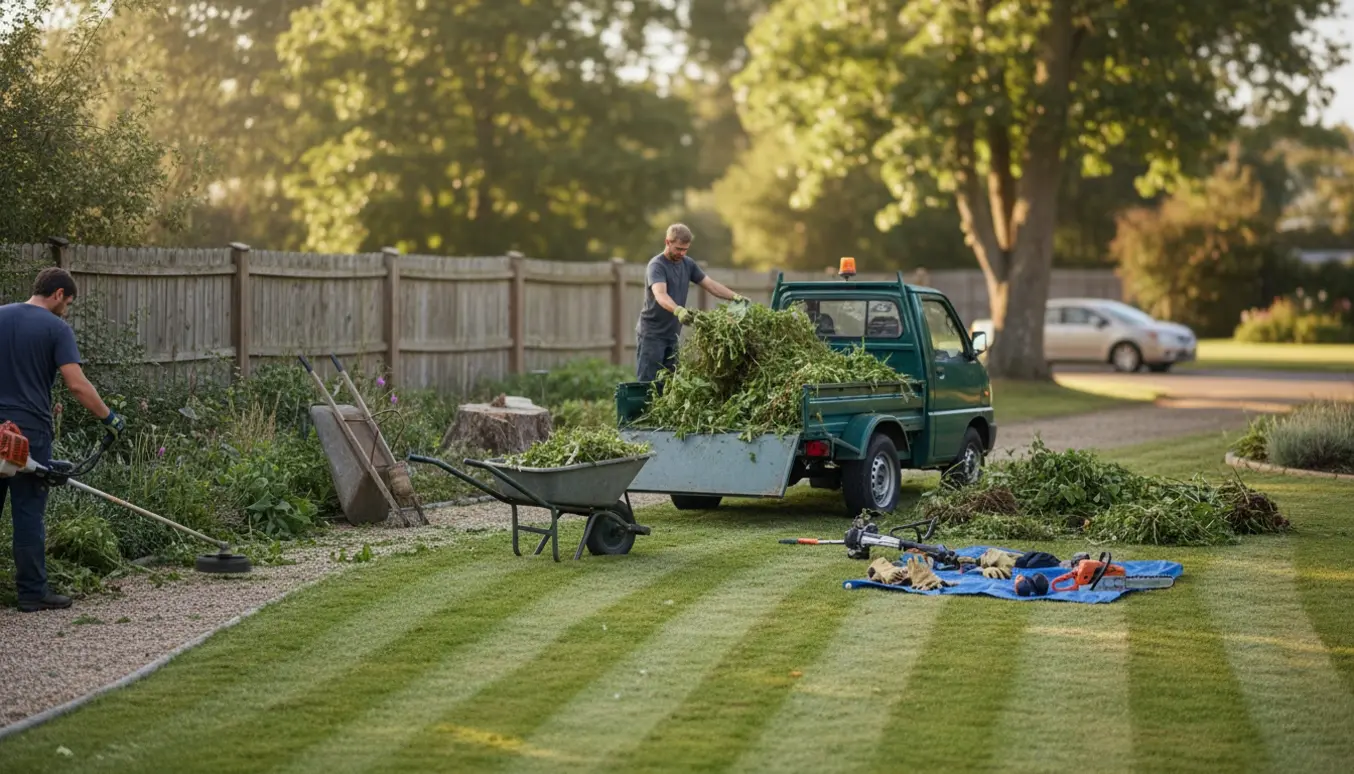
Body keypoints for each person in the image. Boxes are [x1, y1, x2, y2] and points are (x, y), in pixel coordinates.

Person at [0, 268, 124, 612]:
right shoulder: (56, 328)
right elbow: (77, 384)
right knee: (27, 511)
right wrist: (109, 418)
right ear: (57, 294)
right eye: (67, 302)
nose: (66, 310)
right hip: (28, 433)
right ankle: (31, 594)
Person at [635, 223, 748, 382]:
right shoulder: (657, 265)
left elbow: (711, 285)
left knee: (669, 384)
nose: (682, 253)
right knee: (648, 383)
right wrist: (678, 310)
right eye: (678, 249)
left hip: (672, 334)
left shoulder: (688, 264)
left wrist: (735, 297)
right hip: (652, 334)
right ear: (668, 242)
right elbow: (660, 294)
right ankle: (643, 408)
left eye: (685, 249)